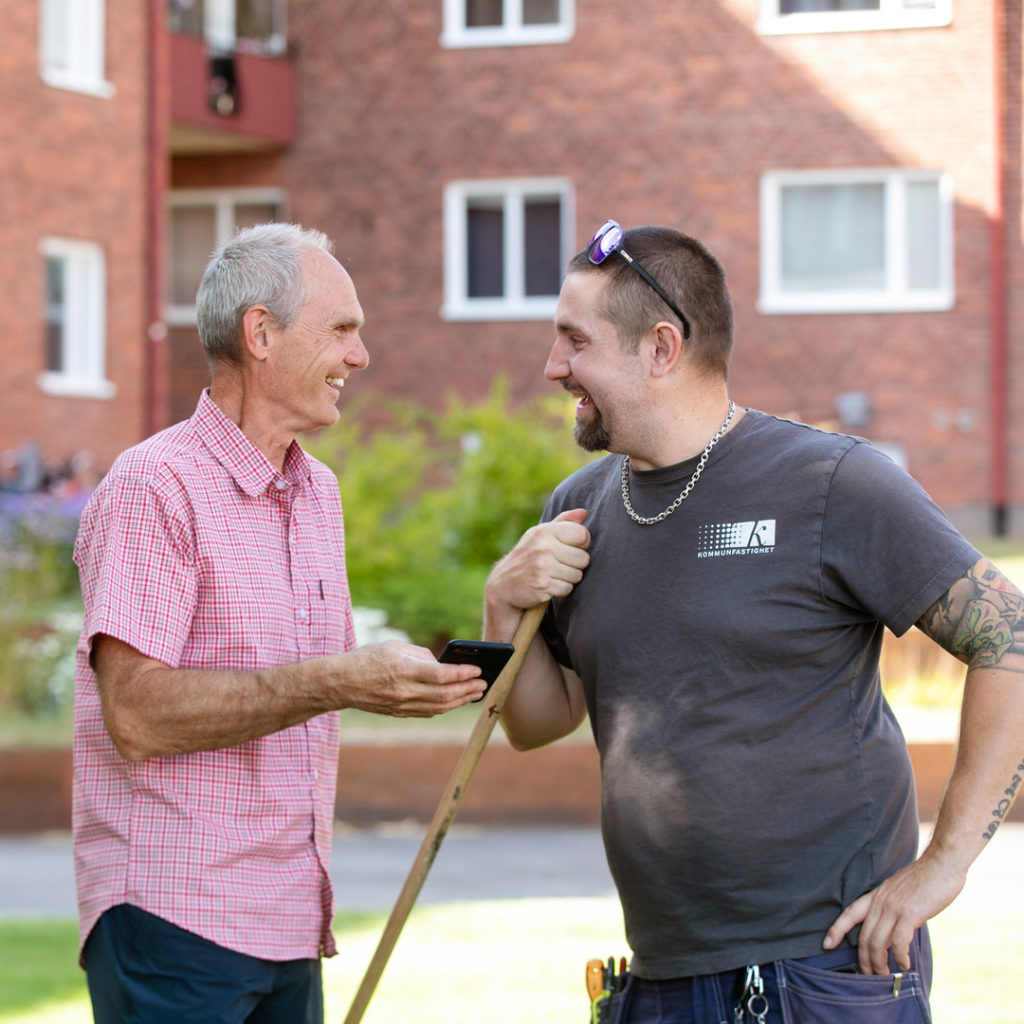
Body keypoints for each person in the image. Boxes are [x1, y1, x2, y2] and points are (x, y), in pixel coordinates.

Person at [483, 220, 1024, 1022]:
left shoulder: (830, 482)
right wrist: (502, 603)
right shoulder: (578, 510)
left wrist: (946, 862)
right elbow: (536, 723)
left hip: (826, 971)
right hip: (662, 978)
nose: (553, 367)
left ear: (661, 348)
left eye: (574, 340)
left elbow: (1009, 637)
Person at [72, 223, 487, 1024]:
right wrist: (339, 680)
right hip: (172, 919)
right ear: (260, 333)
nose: (359, 357)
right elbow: (135, 714)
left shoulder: (318, 494)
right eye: (342, 329)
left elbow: (292, 696)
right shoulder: (154, 486)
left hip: (291, 919)